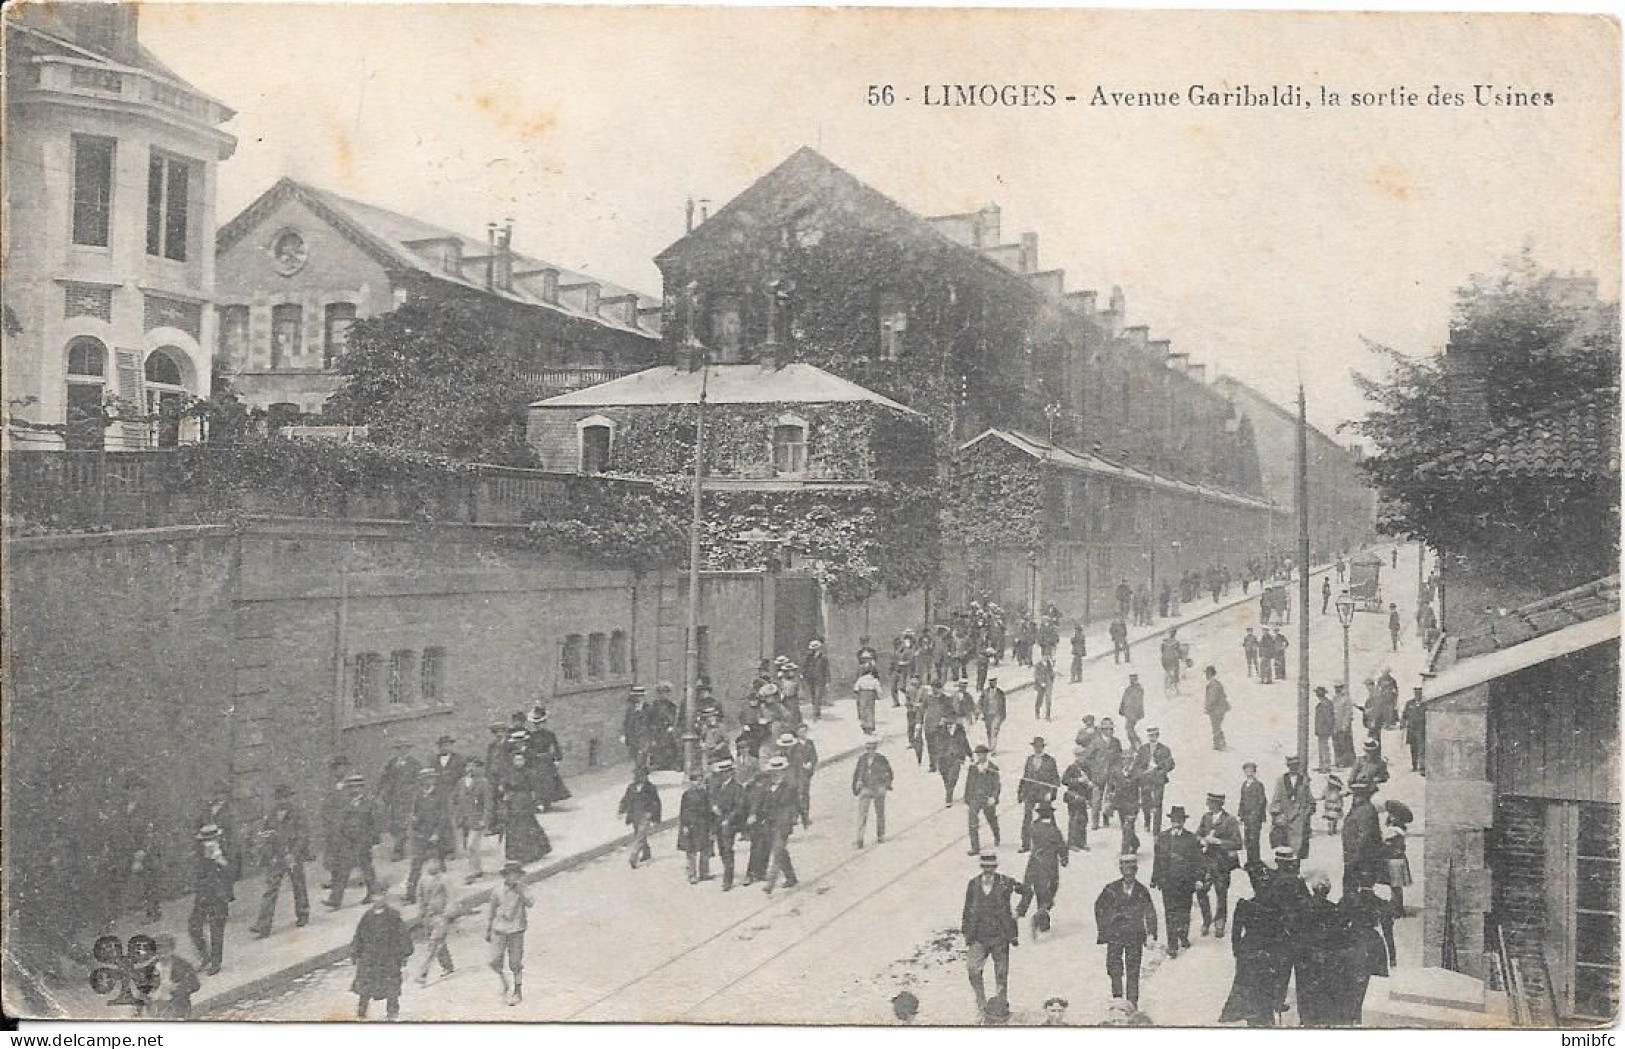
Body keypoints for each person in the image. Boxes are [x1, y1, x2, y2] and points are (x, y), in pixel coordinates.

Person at [962, 853, 1033, 1019]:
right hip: (979, 935)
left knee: (1001, 973)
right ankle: (981, 1004)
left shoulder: (1005, 882)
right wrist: (966, 930)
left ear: (995, 867)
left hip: (1000, 935)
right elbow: (967, 908)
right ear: (981, 868)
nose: (988, 872)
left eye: (991, 868)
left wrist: (1019, 911)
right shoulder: (973, 884)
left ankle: (1001, 1006)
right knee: (973, 969)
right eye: (985, 868)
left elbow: (1027, 891)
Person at [1094, 853, 1159, 1006]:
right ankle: (1117, 999)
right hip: (1115, 935)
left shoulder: (1142, 890)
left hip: (1134, 935)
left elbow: (1150, 912)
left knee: (1133, 969)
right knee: (1114, 968)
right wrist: (1105, 928)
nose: (1128, 874)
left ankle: (1132, 1002)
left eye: (1131, 870)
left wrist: (1151, 933)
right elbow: (1099, 908)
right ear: (1121, 870)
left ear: (1135, 871)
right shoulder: (1111, 889)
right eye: (1125, 870)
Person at [252, 784, 311, 938]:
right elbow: (265, 835)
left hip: (292, 856)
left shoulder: (297, 813)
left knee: (298, 886)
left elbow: (302, 835)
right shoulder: (271, 815)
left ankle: (303, 913)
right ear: (276, 799)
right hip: (277, 857)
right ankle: (263, 925)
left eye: (286, 797)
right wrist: (268, 853)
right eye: (280, 798)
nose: (283, 801)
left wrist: (294, 854)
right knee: (270, 890)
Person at [1150, 805, 1204, 957]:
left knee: (1184, 911)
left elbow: (1198, 861)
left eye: (1179, 820)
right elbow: (1158, 859)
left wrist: (1199, 878)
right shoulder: (1163, 837)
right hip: (1168, 882)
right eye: (1174, 820)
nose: (1177, 823)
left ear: (1184, 821)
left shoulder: (1191, 839)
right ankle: (1172, 944)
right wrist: (1155, 878)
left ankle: (1183, 935)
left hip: (1186, 882)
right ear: (1171, 821)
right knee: (1170, 912)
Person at [351, 891, 413, 1020]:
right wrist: (355, 952)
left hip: (389, 957)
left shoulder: (393, 916)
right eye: (376, 896)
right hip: (370, 957)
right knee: (366, 985)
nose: (378, 899)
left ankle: (392, 1011)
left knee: (392, 986)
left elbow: (403, 935)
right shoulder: (367, 916)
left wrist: (404, 954)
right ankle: (362, 1010)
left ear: (385, 898)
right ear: (372, 898)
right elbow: (359, 935)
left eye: (381, 896)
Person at [323, 774, 381, 910]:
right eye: (351, 787)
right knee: (344, 869)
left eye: (357, 787)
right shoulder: (347, 804)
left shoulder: (369, 803)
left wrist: (372, 840)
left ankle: (372, 891)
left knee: (365, 867)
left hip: (363, 840)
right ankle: (335, 899)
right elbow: (342, 822)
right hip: (348, 841)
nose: (354, 790)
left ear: (362, 788)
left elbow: (375, 823)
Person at [1196, 791, 1243, 937]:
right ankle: (1206, 919)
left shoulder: (1230, 820)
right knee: (1201, 890)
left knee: (1221, 892)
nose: (1209, 805)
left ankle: (1220, 922)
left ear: (1219, 804)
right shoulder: (1206, 817)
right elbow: (1197, 834)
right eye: (1208, 802)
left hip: (1222, 863)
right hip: (1206, 862)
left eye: (1212, 803)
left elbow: (1237, 843)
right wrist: (1202, 840)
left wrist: (1218, 842)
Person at [1017, 803, 1068, 935]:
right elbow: (1061, 846)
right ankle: (1041, 916)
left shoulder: (1034, 827)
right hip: (1049, 863)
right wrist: (1064, 858)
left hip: (1034, 862)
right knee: (1049, 890)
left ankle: (1022, 912)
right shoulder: (1053, 830)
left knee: (1033, 887)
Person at [486, 860, 531, 1006]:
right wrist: (488, 929)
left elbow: (531, 903)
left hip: (516, 930)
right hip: (499, 929)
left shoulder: (522, 889)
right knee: (494, 961)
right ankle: (504, 982)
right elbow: (492, 910)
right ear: (505, 876)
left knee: (515, 963)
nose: (514, 878)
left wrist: (521, 893)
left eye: (516, 875)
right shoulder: (497, 891)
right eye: (511, 875)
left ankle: (517, 991)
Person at [404, 767, 452, 904]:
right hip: (421, 834)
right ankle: (410, 895)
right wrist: (414, 820)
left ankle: (444, 892)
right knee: (416, 864)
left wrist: (437, 833)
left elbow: (443, 816)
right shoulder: (418, 795)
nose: (427, 781)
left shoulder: (440, 795)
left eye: (430, 778)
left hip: (436, 835)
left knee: (438, 865)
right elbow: (415, 813)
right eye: (424, 779)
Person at [189, 824, 232, 975]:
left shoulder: (226, 850)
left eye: (211, 839)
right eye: (205, 840)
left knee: (216, 929)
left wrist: (220, 860)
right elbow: (197, 872)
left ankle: (216, 962)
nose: (208, 843)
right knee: (194, 926)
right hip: (203, 894)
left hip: (219, 895)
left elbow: (232, 871)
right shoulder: (200, 854)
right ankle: (204, 955)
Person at [498, 752, 551, 864]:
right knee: (513, 827)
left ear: (524, 761)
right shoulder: (509, 773)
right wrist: (504, 793)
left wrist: (538, 802)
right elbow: (503, 786)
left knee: (527, 826)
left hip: (525, 802)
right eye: (516, 760)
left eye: (521, 760)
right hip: (512, 803)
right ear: (513, 761)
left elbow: (535, 788)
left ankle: (531, 852)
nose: (519, 762)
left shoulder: (529, 773)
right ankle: (514, 853)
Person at [757, 755, 801, 894]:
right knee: (781, 850)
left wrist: (796, 818)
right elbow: (762, 802)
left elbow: (792, 805)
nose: (774, 774)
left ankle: (770, 883)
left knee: (777, 850)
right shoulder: (767, 786)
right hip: (770, 822)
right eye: (772, 772)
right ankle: (791, 877)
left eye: (778, 771)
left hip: (783, 823)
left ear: (783, 771)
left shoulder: (790, 786)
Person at [414, 857, 455, 986]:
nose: (432, 865)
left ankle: (423, 973)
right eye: (429, 862)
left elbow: (451, 896)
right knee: (438, 942)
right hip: (428, 916)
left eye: (435, 862)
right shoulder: (423, 880)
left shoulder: (444, 879)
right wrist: (420, 911)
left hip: (441, 915)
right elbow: (419, 896)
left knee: (434, 943)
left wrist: (448, 912)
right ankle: (448, 965)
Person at [707, 758, 747, 891]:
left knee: (727, 849)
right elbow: (712, 798)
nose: (723, 775)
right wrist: (713, 806)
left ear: (731, 773)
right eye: (722, 772)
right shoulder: (718, 786)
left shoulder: (737, 788)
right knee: (722, 850)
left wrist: (728, 819)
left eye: (726, 772)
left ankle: (727, 879)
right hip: (718, 821)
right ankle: (727, 870)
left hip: (730, 823)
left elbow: (739, 807)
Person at [378, 742, 420, 862]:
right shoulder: (391, 763)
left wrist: (411, 790)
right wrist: (382, 793)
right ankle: (399, 845)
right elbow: (384, 779)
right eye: (400, 748)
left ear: (409, 749)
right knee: (394, 824)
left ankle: (398, 850)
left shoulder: (414, 764)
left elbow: (419, 780)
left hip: (408, 798)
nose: (403, 750)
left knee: (404, 823)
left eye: (406, 748)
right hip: (394, 798)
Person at [141, 934, 200, 1019]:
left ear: (171, 949)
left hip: (176, 1005)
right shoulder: (151, 966)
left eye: (164, 951)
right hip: (156, 1006)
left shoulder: (182, 965)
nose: (161, 955)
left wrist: (176, 988)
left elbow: (195, 984)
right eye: (158, 951)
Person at [1341, 782, 1386, 893]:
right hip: (1354, 854)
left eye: (1358, 795)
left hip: (1361, 856)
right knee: (1352, 885)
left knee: (1356, 885)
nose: (1355, 798)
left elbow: (1365, 836)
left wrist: (1355, 856)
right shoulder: (1359, 808)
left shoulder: (1365, 811)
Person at [452, 759, 491, 884]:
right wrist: (456, 813)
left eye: (473, 766)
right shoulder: (461, 782)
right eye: (468, 766)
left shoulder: (483, 783)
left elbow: (488, 803)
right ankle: (478, 869)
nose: (470, 768)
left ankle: (472, 871)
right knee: (468, 847)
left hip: (477, 819)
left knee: (471, 845)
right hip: (464, 819)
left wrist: (484, 819)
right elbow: (454, 798)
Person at [1269, 756, 1315, 861]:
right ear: (1288, 766)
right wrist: (1277, 814)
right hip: (1284, 816)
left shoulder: (1304, 780)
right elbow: (1276, 798)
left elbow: (1309, 798)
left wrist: (1306, 812)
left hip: (1299, 816)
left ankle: (1296, 868)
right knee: (1284, 847)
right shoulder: (1281, 780)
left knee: (1297, 846)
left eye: (1296, 765)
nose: (1293, 768)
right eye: (1291, 766)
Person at [852, 735, 894, 848]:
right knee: (862, 814)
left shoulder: (881, 759)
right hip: (865, 788)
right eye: (868, 748)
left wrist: (885, 785)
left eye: (872, 747)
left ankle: (880, 834)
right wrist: (856, 787)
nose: (870, 750)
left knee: (879, 812)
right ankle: (860, 839)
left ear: (876, 748)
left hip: (878, 788)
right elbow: (856, 774)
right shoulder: (862, 759)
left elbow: (889, 773)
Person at [619, 766, 663, 869]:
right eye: (639, 776)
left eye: (644, 776)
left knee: (640, 835)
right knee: (639, 835)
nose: (642, 778)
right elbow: (625, 799)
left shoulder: (651, 788)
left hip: (646, 815)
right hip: (634, 815)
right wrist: (621, 810)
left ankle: (633, 857)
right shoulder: (631, 788)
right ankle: (646, 852)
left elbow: (656, 803)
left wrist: (656, 819)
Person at [1134, 726, 1175, 836]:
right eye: (1151, 735)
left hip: (1158, 779)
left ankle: (1156, 829)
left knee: (1157, 804)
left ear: (1158, 736)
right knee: (1145, 803)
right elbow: (1136, 764)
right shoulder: (1143, 749)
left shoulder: (1165, 749)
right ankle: (1147, 822)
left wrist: (1162, 771)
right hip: (1145, 779)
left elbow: (1171, 764)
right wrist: (1140, 774)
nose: (1153, 737)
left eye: (1155, 735)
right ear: (1148, 736)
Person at [678, 770, 715, 884]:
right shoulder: (687, 795)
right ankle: (692, 874)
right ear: (691, 782)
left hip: (703, 824)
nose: (698, 783)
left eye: (700, 780)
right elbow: (683, 811)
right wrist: (684, 826)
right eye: (696, 781)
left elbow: (710, 810)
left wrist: (711, 826)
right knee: (691, 851)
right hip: (691, 824)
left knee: (705, 849)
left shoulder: (706, 794)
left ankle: (704, 873)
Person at [1085, 719, 1123, 830]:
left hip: (1112, 775)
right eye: (1106, 729)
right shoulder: (1095, 742)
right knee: (1096, 799)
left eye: (1111, 729)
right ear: (1102, 730)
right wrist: (1095, 769)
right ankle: (1095, 822)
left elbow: (1119, 757)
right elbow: (1088, 758)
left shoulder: (1116, 742)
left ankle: (1106, 819)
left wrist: (1117, 769)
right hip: (1098, 776)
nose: (1109, 731)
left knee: (1109, 798)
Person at [964, 745, 1002, 854]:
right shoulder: (973, 768)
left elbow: (997, 785)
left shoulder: (993, 768)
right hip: (975, 798)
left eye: (982, 754)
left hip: (987, 799)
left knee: (991, 819)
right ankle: (975, 847)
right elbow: (969, 784)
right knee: (972, 822)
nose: (980, 757)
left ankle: (996, 834)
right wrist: (967, 799)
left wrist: (994, 797)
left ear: (986, 755)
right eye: (978, 755)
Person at [1382, 801, 1414, 916]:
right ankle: (1397, 907)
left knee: (1396, 886)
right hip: (1396, 858)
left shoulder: (1395, 830)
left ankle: (1398, 909)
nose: (1390, 816)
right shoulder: (1397, 829)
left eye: (1392, 814)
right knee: (1395, 886)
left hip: (1395, 859)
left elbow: (1385, 840)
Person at [935, 715, 972, 806]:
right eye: (947, 719)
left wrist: (970, 754)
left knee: (953, 777)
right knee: (946, 778)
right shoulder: (939, 729)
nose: (949, 721)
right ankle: (949, 790)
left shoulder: (960, 729)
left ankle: (949, 796)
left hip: (957, 757)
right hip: (943, 758)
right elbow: (934, 745)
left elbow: (965, 742)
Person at [1061, 744, 1093, 851]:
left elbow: (1090, 782)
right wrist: (1078, 780)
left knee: (1083, 820)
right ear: (1076, 756)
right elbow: (1064, 781)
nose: (1082, 758)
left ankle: (1082, 842)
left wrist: (1089, 792)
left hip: (1083, 797)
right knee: (1074, 820)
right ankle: (1071, 843)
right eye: (1079, 756)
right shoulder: (1072, 768)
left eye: (1083, 756)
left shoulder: (1087, 768)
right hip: (1073, 797)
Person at [1238, 762, 1268, 868]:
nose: (1248, 772)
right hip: (1246, 817)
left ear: (1254, 771)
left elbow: (1262, 800)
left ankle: (1255, 861)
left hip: (1255, 817)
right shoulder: (1244, 784)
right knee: (1247, 840)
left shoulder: (1258, 785)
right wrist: (1240, 814)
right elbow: (1242, 800)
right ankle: (1249, 860)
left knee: (1254, 839)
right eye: (1246, 770)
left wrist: (1256, 813)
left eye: (1251, 770)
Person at [792, 722, 819, 828]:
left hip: (806, 774)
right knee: (796, 794)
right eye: (801, 732)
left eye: (805, 731)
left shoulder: (810, 743)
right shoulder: (794, 745)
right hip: (796, 773)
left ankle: (805, 815)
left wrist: (811, 764)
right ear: (797, 733)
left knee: (805, 794)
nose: (803, 733)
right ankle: (795, 815)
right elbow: (791, 759)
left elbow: (814, 756)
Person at [1204, 666, 1230, 751]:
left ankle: (1218, 744)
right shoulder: (1217, 683)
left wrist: (1207, 707)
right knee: (1217, 726)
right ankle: (1221, 742)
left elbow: (1212, 698)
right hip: (1220, 708)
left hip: (1216, 709)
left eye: (1207, 674)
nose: (1206, 676)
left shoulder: (1213, 684)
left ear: (1210, 674)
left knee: (1215, 727)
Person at [1402, 687, 1428, 774]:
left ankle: (1422, 767)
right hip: (1411, 730)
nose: (1417, 695)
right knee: (1413, 749)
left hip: (1421, 730)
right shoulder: (1409, 703)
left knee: (1421, 749)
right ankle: (1414, 765)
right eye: (1416, 693)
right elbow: (1404, 715)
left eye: (1419, 693)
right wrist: (1403, 723)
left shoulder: (1425, 704)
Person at [979, 677, 1007, 752]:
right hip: (987, 714)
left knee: (994, 730)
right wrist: (981, 712)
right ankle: (990, 745)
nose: (992, 683)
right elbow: (980, 703)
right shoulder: (985, 692)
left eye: (994, 682)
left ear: (996, 682)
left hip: (997, 714)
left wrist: (1003, 715)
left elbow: (1003, 705)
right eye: (991, 682)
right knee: (989, 731)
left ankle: (993, 748)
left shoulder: (1000, 693)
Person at [1333, 684, 1357, 768]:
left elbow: (1348, 713)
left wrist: (1345, 725)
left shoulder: (1346, 699)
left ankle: (1347, 761)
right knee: (1337, 744)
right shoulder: (1335, 699)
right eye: (1336, 688)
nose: (1337, 690)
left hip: (1343, 726)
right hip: (1336, 725)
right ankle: (1338, 761)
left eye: (1339, 688)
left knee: (1345, 744)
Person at [853, 667, 882, 734]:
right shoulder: (874, 680)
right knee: (870, 710)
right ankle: (870, 725)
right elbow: (879, 689)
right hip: (871, 694)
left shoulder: (860, 679)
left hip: (862, 694)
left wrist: (858, 694)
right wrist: (879, 696)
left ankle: (864, 725)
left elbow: (856, 688)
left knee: (863, 709)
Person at [1119, 674, 1146, 748]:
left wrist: (1137, 714)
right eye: (1130, 679)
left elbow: (1138, 703)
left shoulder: (1138, 689)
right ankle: (1135, 743)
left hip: (1133, 713)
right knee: (1129, 728)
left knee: (1129, 728)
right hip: (1129, 713)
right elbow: (1124, 699)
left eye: (1133, 679)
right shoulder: (1129, 688)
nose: (1131, 680)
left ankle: (1136, 743)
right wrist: (1121, 709)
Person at [1313, 688, 1336, 772]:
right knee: (1321, 747)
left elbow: (1328, 718)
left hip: (1324, 729)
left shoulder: (1325, 704)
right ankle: (1322, 764)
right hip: (1321, 729)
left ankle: (1326, 766)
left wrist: (1330, 728)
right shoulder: (1323, 703)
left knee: (1324, 747)